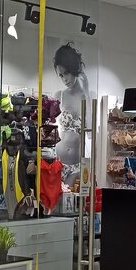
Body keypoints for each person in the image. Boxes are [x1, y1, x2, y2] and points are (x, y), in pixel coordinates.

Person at [53, 43, 91, 177]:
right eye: (61, 75)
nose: (64, 79)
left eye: (66, 73)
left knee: (75, 191)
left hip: (78, 164)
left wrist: (86, 91)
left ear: (74, 69)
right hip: (58, 161)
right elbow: (48, 128)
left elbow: (90, 131)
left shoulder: (87, 96)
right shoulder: (59, 95)